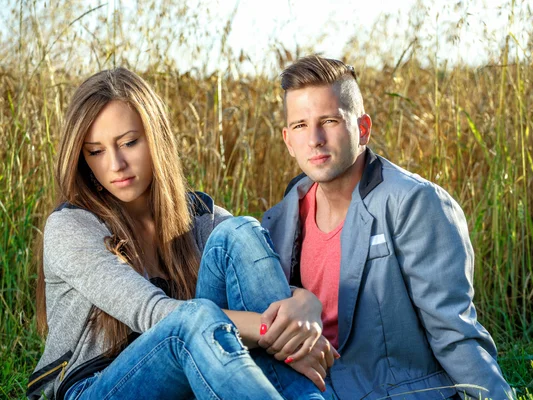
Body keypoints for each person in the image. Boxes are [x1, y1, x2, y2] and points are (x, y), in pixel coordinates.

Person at [27, 67, 337, 400]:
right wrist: (278, 331)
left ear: (155, 138)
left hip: (189, 377)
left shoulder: (200, 216)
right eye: (96, 151)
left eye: (129, 143)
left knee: (241, 231)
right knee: (190, 321)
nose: (115, 164)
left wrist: (306, 302)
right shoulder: (71, 226)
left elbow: (251, 284)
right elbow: (156, 314)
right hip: (96, 387)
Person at [262, 55, 514, 399]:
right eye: (300, 126)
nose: (315, 139)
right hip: (307, 387)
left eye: (330, 121)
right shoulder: (281, 218)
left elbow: (453, 330)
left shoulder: (414, 203)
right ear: (288, 139)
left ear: (363, 128)